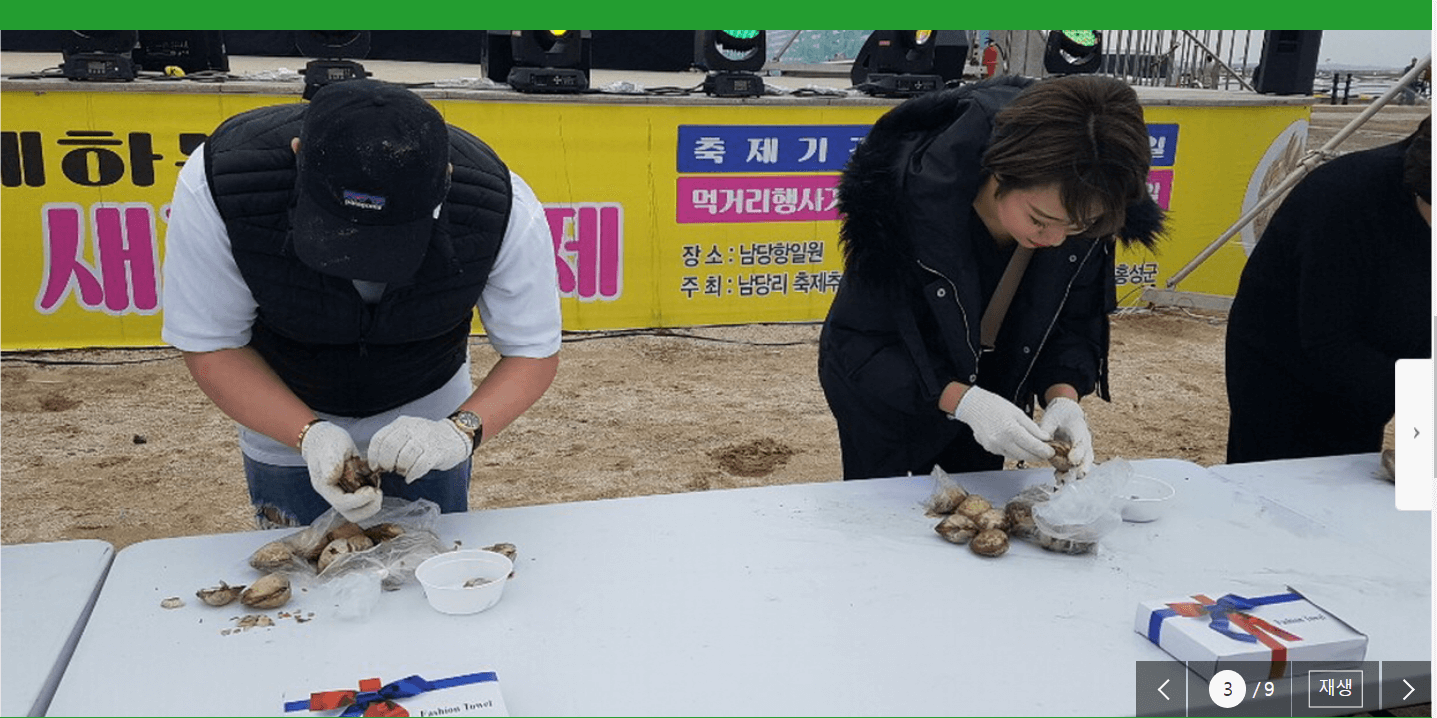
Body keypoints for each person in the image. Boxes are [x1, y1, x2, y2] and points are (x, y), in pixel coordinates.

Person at [162, 79, 562, 526]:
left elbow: (532, 350)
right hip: (280, 396)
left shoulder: (498, 204)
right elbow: (212, 344)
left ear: (445, 182)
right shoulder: (223, 182)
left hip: (426, 404)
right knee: (300, 571)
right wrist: (306, 435)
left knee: (425, 565)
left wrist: (457, 432)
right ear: (298, 155)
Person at [818, 75, 1166, 481]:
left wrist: (1063, 396)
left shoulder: (1088, 209)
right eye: (1040, 220)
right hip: (889, 401)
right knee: (886, 515)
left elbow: (1074, 319)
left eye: (1077, 228)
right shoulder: (906, 201)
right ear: (1000, 171)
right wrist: (964, 402)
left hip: (996, 392)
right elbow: (859, 345)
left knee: (976, 509)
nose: (1055, 240)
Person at [1225, 116, 1431, 463]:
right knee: (1281, 489)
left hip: (1385, 360)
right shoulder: (1342, 198)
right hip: (1287, 367)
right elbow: (1329, 341)